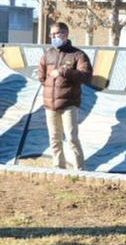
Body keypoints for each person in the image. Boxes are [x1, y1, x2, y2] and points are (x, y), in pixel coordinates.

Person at [37, 22, 92, 170]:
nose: (54, 37)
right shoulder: (47, 54)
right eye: (52, 35)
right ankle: (58, 167)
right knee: (54, 138)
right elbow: (41, 77)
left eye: (57, 34)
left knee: (72, 138)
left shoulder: (77, 55)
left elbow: (86, 76)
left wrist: (64, 72)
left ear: (66, 34)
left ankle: (79, 169)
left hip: (69, 104)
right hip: (50, 105)